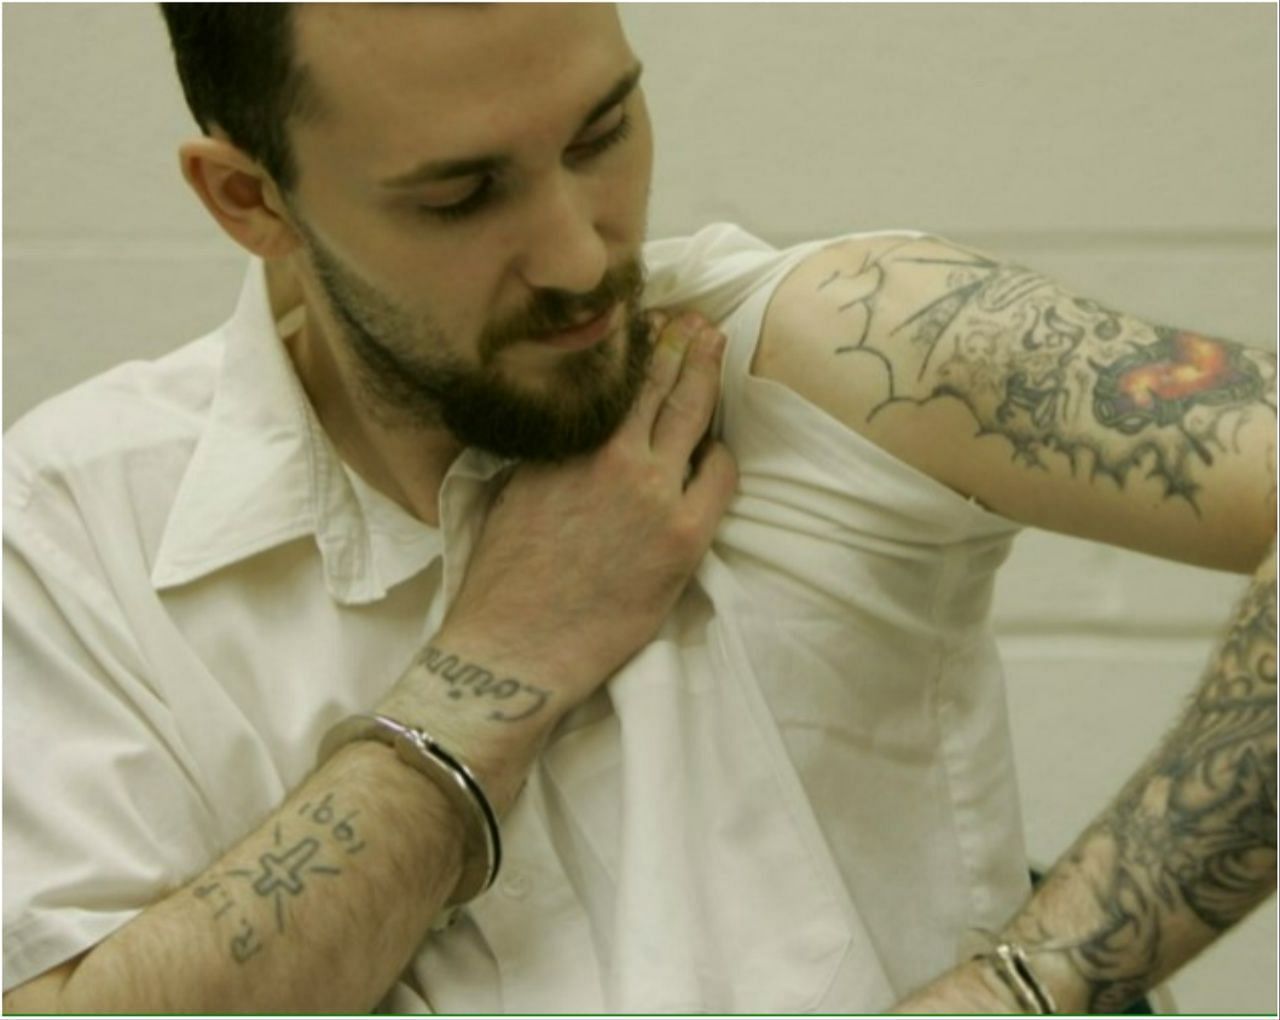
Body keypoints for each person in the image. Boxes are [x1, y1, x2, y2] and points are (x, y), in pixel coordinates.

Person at [2, 4, 1273, 1014]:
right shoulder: (75, 525)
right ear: (251, 198)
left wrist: (1032, 983)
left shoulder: (837, 350)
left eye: (601, 133)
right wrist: (496, 664)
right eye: (459, 196)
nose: (573, 255)